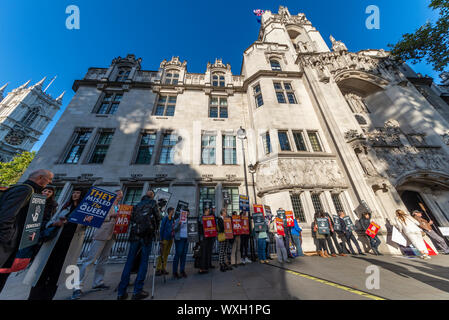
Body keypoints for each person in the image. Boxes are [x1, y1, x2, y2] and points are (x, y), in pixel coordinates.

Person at [24, 187, 88, 300]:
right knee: (43, 270)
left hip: (69, 244)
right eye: (73, 192)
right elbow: (52, 220)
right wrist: (55, 224)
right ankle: (33, 297)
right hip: (54, 241)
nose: (75, 194)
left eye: (78, 193)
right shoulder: (65, 205)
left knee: (57, 274)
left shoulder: (85, 211)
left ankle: (48, 296)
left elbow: (85, 228)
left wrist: (87, 221)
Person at [0, 169, 53, 293]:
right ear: (40, 178)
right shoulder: (26, 190)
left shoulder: (29, 191)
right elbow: (6, 216)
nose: (50, 182)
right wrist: (7, 240)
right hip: (5, 246)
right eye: (49, 179)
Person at [71, 189, 123, 300]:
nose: (120, 196)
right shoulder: (105, 204)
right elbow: (95, 217)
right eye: (118, 194)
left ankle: (98, 282)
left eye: (121, 195)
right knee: (90, 259)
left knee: (104, 259)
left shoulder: (119, 206)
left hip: (113, 234)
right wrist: (112, 216)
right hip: (102, 232)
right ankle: (78, 287)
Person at [117, 190, 161, 300]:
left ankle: (121, 292)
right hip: (146, 236)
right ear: (151, 197)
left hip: (134, 236)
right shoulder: (152, 203)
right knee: (143, 262)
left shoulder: (136, 205)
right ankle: (137, 291)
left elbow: (131, 219)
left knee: (129, 262)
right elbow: (158, 218)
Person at [156, 207, 175, 276]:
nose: (173, 212)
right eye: (173, 211)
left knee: (166, 254)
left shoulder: (172, 219)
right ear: (170, 211)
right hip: (164, 238)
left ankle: (163, 268)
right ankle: (158, 268)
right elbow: (161, 229)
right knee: (162, 253)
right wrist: (160, 238)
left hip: (170, 238)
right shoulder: (165, 218)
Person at [198, 207, 217, 274]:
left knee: (208, 252)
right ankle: (202, 268)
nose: (209, 212)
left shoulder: (209, 217)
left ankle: (207, 265)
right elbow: (200, 227)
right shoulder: (201, 218)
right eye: (208, 211)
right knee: (203, 253)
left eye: (209, 211)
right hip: (204, 237)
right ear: (205, 211)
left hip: (209, 237)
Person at [173, 209, 189, 279]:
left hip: (186, 239)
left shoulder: (188, 220)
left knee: (184, 255)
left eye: (188, 213)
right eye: (186, 213)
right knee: (178, 254)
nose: (187, 214)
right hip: (179, 239)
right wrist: (179, 224)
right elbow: (175, 229)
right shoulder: (178, 219)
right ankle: (175, 271)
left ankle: (182, 270)